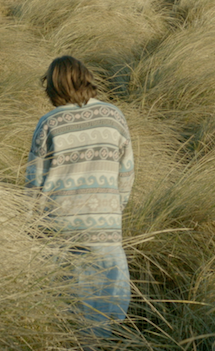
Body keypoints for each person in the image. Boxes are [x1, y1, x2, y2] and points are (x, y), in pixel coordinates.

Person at [26, 56, 135, 346]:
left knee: (63, 300)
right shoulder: (114, 117)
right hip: (104, 225)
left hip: (57, 224)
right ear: (86, 78)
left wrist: (31, 224)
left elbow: (34, 182)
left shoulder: (49, 123)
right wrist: (113, 210)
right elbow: (126, 174)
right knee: (108, 295)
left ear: (53, 87)